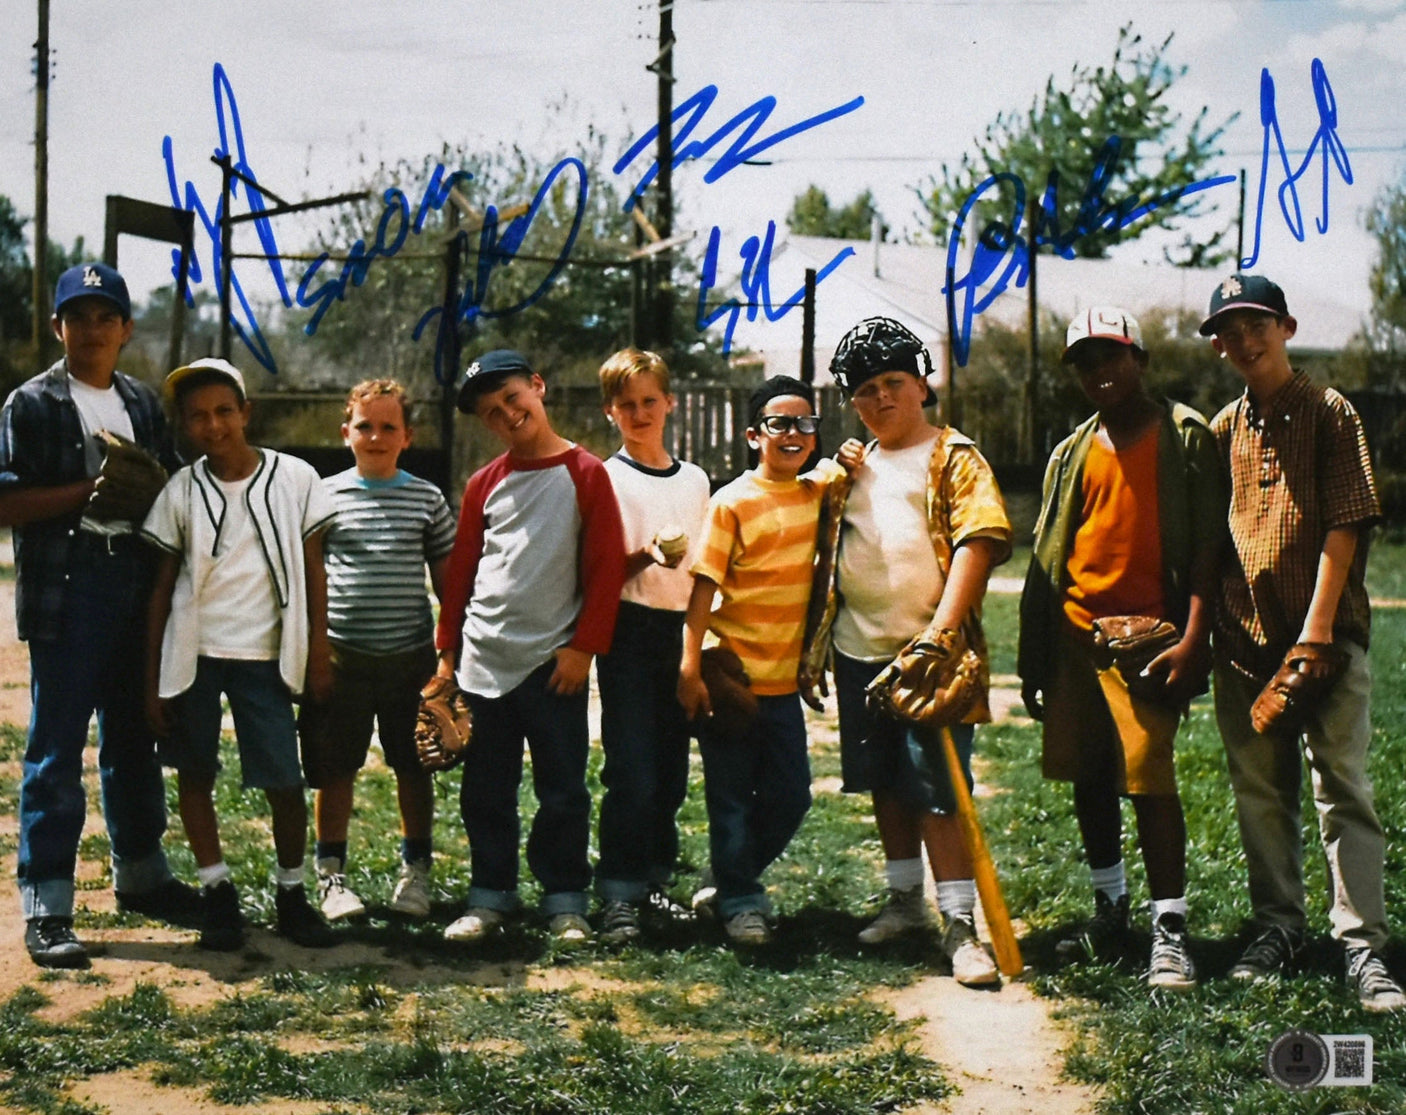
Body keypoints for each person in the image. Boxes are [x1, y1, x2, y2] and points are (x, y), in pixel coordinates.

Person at [1200, 273, 1404, 1012]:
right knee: (1260, 789)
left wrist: (1316, 632)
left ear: (1286, 328)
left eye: (1258, 324)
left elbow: (1345, 523)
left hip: (1326, 636)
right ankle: (1278, 924)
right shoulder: (1223, 429)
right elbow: (1214, 538)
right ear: (1218, 347)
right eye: (1230, 331)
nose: (1245, 340)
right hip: (1245, 638)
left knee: (1341, 783)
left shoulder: (1329, 411)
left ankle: (1362, 941)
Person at [0, 262, 201, 968]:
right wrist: (91, 489)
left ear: (126, 328)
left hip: (135, 579)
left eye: (105, 317)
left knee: (135, 735)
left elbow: (172, 491)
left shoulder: (141, 401)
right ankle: (48, 902)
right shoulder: (31, 404)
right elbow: (7, 502)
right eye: (78, 317)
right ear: (58, 326)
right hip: (69, 581)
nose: (92, 329)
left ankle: (142, 873)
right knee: (57, 747)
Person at [1018, 308, 1225, 991]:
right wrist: (1038, 655)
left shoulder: (1184, 435)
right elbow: (1052, 552)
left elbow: (1207, 550)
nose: (1099, 371)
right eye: (1084, 361)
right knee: (1089, 774)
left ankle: (1170, 928)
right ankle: (1111, 908)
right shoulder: (1071, 450)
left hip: (1149, 641)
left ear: (1140, 359)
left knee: (1148, 775)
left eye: (1111, 355)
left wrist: (1194, 638)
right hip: (1077, 637)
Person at [801, 317, 1010, 987]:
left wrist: (941, 633)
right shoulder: (852, 469)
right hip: (860, 652)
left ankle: (959, 921)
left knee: (937, 793)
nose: (881, 398)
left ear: (923, 384)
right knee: (885, 783)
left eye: (894, 382)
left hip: (931, 657)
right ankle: (903, 901)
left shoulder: (954, 456)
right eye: (865, 390)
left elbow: (979, 540)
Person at [142, 357, 336, 951]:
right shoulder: (182, 489)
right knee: (195, 772)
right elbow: (161, 588)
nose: (213, 425)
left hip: (266, 655)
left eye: (224, 411)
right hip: (195, 655)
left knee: (284, 780)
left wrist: (320, 649)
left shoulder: (295, 477)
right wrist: (151, 683)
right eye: (197, 416)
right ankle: (217, 891)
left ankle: (292, 893)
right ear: (184, 425)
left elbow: (314, 570)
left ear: (246, 412)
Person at [436, 350, 625, 944]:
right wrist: (447, 652)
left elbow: (605, 568)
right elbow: (461, 574)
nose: (507, 414)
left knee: (562, 790)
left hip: (553, 664)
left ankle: (565, 898)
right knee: (485, 791)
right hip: (483, 662)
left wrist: (583, 648)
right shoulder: (483, 484)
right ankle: (490, 895)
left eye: (512, 398)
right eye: (491, 412)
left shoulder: (586, 473)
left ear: (538, 387)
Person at [678, 375, 839, 947]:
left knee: (792, 797)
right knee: (729, 801)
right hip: (733, 682)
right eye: (779, 424)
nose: (793, 433)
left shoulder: (817, 493)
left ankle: (727, 878)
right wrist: (689, 667)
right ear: (753, 435)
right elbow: (702, 589)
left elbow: (846, 468)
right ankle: (742, 904)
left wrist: (850, 459)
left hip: (784, 688)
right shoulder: (732, 503)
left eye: (805, 423)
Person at [305, 380, 457, 922]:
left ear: (407, 437)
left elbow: (447, 585)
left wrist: (448, 657)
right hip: (342, 657)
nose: (375, 436)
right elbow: (311, 579)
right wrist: (315, 653)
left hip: (409, 660)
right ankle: (332, 877)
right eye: (364, 426)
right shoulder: (322, 496)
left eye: (388, 427)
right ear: (345, 432)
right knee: (335, 767)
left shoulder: (426, 498)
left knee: (413, 766)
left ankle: (416, 873)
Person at [594, 349, 711, 944]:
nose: (640, 414)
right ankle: (618, 891)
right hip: (628, 630)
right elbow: (596, 574)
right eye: (627, 405)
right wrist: (647, 554)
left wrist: (699, 644)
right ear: (610, 411)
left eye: (649, 401)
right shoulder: (605, 478)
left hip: (682, 630)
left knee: (669, 771)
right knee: (632, 770)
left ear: (669, 402)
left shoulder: (696, 480)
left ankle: (655, 882)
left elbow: (705, 571)